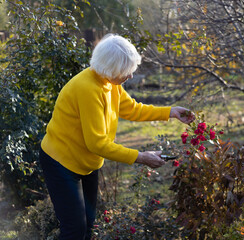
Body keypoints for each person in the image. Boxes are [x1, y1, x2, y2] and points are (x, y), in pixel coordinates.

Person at [39, 34, 195, 240]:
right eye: (126, 72)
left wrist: (170, 112)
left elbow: (132, 109)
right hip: (61, 163)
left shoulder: (110, 82)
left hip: (86, 164)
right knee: (74, 230)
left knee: (87, 228)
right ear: (111, 68)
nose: (129, 76)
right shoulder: (88, 89)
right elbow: (97, 143)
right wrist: (141, 156)